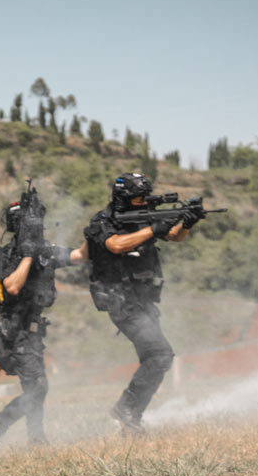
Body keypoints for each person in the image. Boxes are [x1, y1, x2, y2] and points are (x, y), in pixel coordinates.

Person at [77, 173, 203, 435]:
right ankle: (126, 409)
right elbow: (115, 245)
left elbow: (175, 236)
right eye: (136, 198)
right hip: (120, 300)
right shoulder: (104, 221)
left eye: (143, 198)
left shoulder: (143, 216)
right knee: (160, 355)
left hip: (143, 300)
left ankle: (130, 418)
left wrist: (188, 221)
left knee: (155, 359)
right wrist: (153, 229)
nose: (141, 202)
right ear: (122, 197)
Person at [0, 191, 80, 445]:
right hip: (13, 332)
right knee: (37, 388)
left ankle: (32, 437)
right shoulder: (5, 255)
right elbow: (11, 286)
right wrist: (29, 255)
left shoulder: (43, 252)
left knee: (36, 388)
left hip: (31, 332)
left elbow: (77, 256)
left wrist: (95, 242)